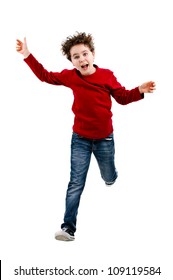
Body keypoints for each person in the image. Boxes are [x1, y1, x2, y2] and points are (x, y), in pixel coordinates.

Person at [16, 32, 156, 241]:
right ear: (71, 62)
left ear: (93, 54)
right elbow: (45, 75)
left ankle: (111, 177)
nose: (82, 59)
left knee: (108, 175)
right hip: (80, 139)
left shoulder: (106, 75)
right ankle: (68, 228)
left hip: (104, 139)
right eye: (76, 57)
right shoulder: (71, 77)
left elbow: (123, 97)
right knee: (75, 182)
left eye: (85, 54)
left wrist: (139, 90)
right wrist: (27, 55)